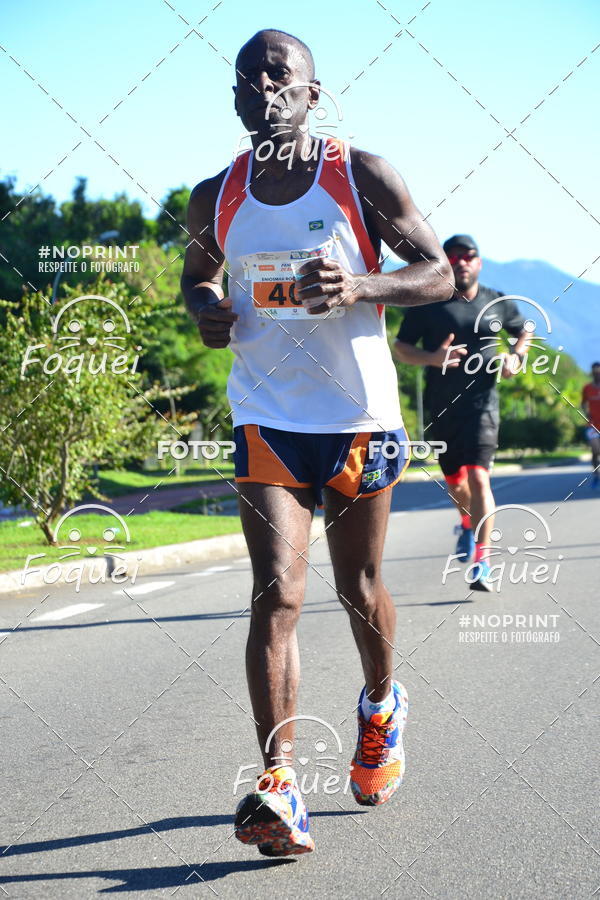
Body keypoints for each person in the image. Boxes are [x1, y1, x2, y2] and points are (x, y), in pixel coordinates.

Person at [181, 29, 453, 856]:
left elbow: (438, 270)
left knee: (360, 587)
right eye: (248, 76)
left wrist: (364, 283)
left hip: (359, 420)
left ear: (313, 90)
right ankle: (280, 785)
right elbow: (196, 277)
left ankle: (380, 709)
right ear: (234, 99)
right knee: (277, 592)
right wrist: (204, 309)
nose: (263, 84)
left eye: (279, 71)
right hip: (264, 416)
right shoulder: (214, 194)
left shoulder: (359, 174)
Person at [394, 234, 531, 591]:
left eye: (468, 256)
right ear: (446, 262)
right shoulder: (429, 305)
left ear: (479, 262)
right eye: (453, 256)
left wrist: (517, 357)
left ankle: (483, 560)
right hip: (442, 410)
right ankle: (467, 524)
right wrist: (432, 358)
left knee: (479, 478)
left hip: (483, 405)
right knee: (456, 482)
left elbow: (524, 330)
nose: (461, 262)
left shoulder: (497, 302)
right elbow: (401, 348)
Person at [581, 362, 600, 487]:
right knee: (596, 450)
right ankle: (596, 475)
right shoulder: (587, 388)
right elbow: (583, 403)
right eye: (595, 372)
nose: (597, 374)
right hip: (592, 425)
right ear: (591, 373)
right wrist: (586, 412)